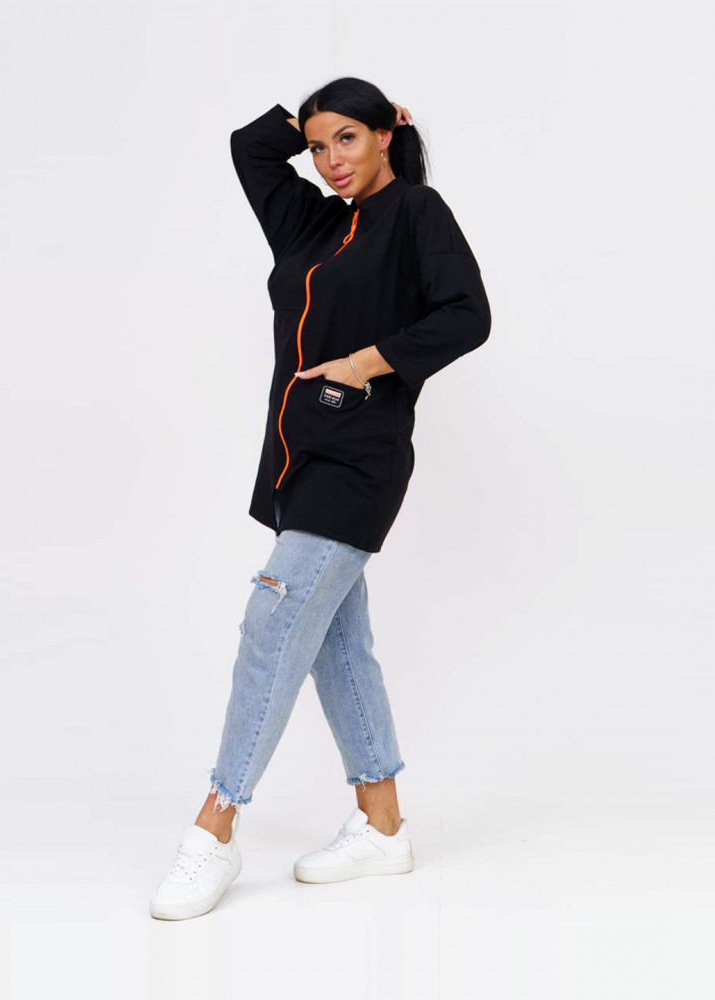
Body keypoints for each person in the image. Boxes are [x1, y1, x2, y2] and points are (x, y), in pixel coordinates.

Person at [149, 76, 491, 920]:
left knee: (272, 623)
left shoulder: (417, 214)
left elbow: (467, 315)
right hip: (295, 460)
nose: (332, 159)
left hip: (361, 458)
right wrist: (302, 122)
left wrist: (364, 363)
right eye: (317, 144)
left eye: (348, 137)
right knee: (338, 642)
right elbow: (249, 148)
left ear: (384, 135)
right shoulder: (309, 222)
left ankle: (215, 828)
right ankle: (382, 827)